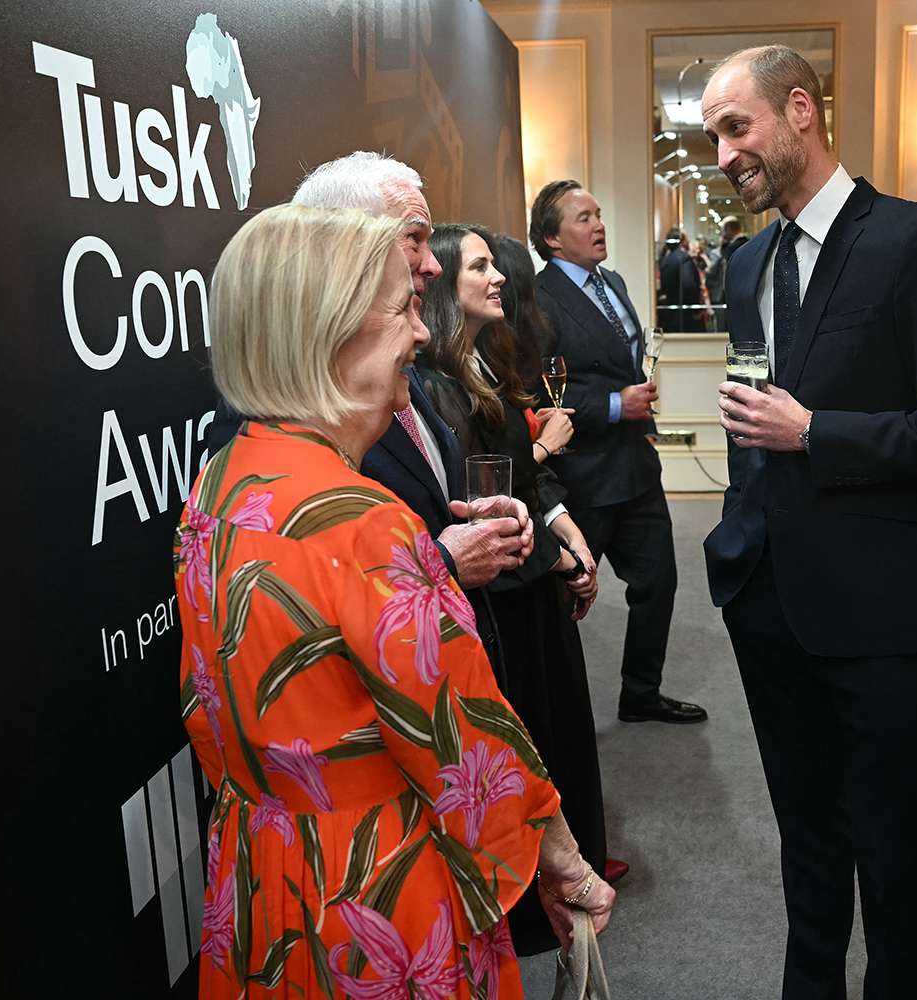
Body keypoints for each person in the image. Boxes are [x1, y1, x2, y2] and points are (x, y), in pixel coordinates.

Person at [179, 204, 614, 998]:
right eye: (407, 311)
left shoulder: (222, 483)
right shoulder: (360, 519)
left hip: (263, 877)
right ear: (332, 332)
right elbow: (463, 737)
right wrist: (565, 865)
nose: (421, 337)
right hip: (375, 885)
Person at [701, 45, 917, 999]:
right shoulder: (747, 256)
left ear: (801, 109)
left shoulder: (913, 240)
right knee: (805, 833)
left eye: (735, 127)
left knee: (889, 842)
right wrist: (737, 534)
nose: (721, 155)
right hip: (766, 598)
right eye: (711, 135)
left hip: (878, 612)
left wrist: (817, 433)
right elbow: (757, 411)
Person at [204, 152, 523, 680]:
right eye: (414, 239)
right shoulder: (257, 430)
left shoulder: (391, 363)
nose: (433, 263)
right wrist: (438, 564)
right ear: (338, 249)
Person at [418, 222, 614, 955]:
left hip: (529, 584)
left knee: (553, 738)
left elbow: (522, 487)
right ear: (441, 282)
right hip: (498, 597)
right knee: (526, 741)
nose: (498, 277)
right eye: (479, 268)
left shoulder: (483, 364)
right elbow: (476, 502)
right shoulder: (434, 386)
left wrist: (563, 547)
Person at [530, 179, 707, 725]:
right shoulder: (537, 300)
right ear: (554, 240)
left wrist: (639, 407)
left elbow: (625, 363)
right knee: (566, 596)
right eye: (583, 218)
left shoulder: (616, 282)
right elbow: (540, 388)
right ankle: (550, 709)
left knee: (658, 581)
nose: (598, 225)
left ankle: (641, 693)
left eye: (598, 214)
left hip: (635, 466)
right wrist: (612, 404)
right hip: (581, 475)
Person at [657, 226, 706, 332]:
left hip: (672, 312)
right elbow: (689, 285)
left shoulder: (666, 259)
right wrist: (695, 309)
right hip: (686, 314)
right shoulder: (683, 258)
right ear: (682, 241)